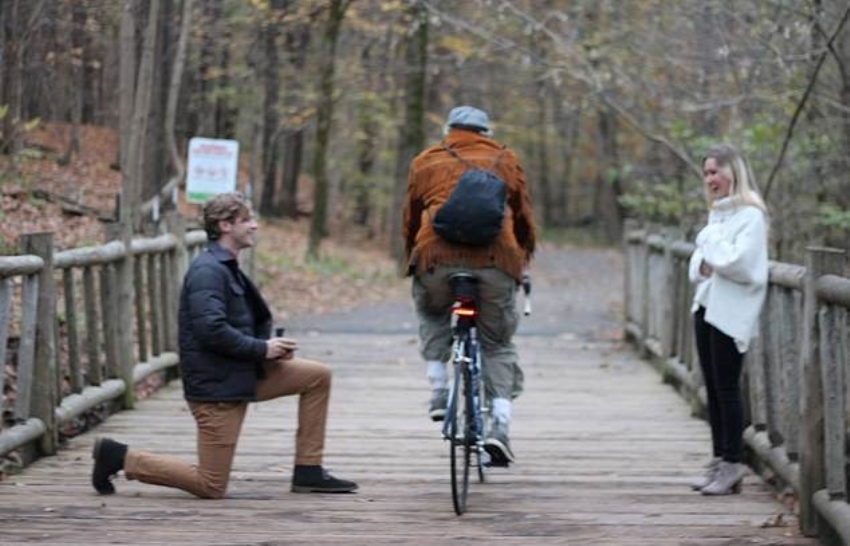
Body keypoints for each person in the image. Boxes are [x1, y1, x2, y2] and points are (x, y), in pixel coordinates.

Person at [91, 192, 357, 498]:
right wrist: (262, 349)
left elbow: (232, 325)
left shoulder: (226, 266)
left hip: (241, 373)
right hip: (217, 389)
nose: (255, 226)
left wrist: (270, 349)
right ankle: (119, 457)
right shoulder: (208, 271)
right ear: (225, 225)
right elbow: (210, 330)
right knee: (211, 484)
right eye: (247, 220)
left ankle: (308, 471)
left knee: (317, 376)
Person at [402, 105, 536, 466]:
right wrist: (521, 259)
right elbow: (522, 217)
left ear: (449, 130)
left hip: (437, 259)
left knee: (431, 312)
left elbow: (411, 218)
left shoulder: (426, 161)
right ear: (485, 132)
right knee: (497, 343)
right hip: (495, 261)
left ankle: (438, 388)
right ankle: (500, 426)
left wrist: (414, 258)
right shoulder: (505, 159)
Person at [688, 143, 769, 496]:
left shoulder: (750, 215)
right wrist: (709, 254)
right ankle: (720, 459)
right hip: (706, 306)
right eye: (706, 173)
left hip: (730, 311)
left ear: (732, 172)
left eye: (715, 172)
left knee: (727, 389)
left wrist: (708, 244)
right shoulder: (718, 214)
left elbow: (740, 264)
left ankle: (734, 463)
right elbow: (699, 267)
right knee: (713, 390)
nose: (710, 180)